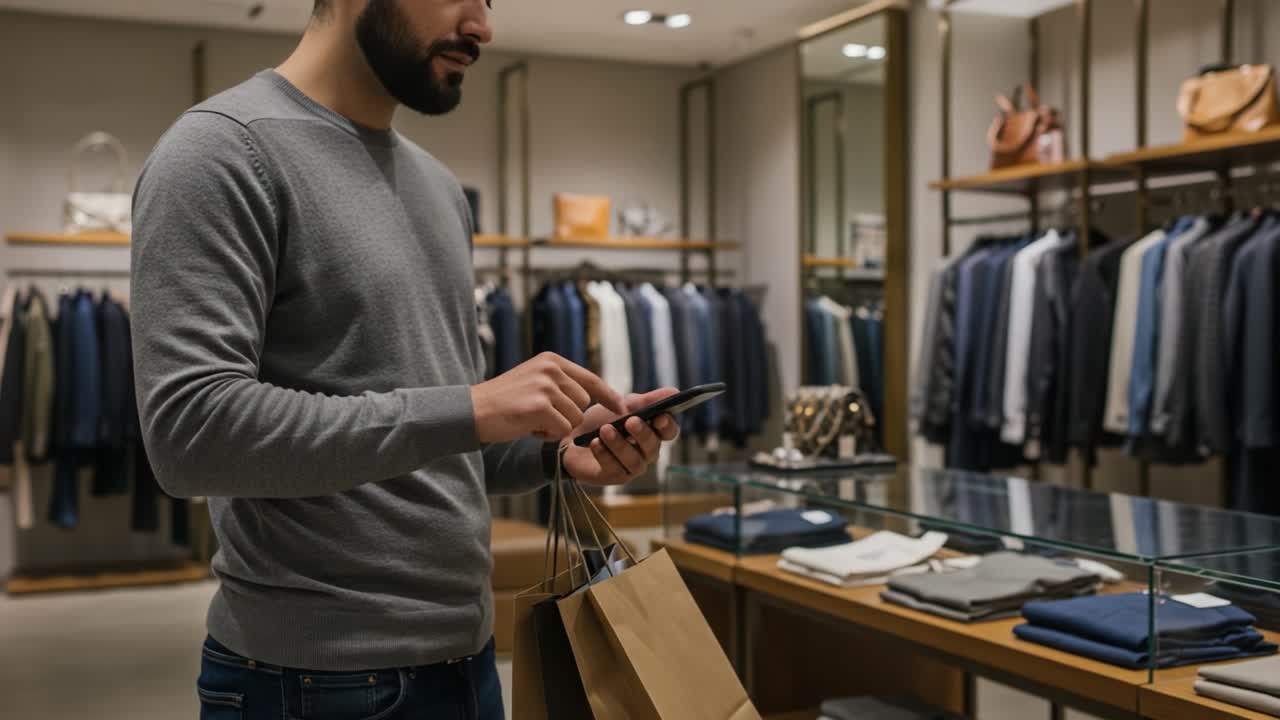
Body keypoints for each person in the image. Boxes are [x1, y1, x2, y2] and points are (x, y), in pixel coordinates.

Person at [130, 1, 680, 718]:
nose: (482, 27)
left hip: (471, 657)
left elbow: (435, 439)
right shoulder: (221, 153)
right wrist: (473, 406)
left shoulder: (440, 190)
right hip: (312, 682)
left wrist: (555, 451)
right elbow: (190, 438)